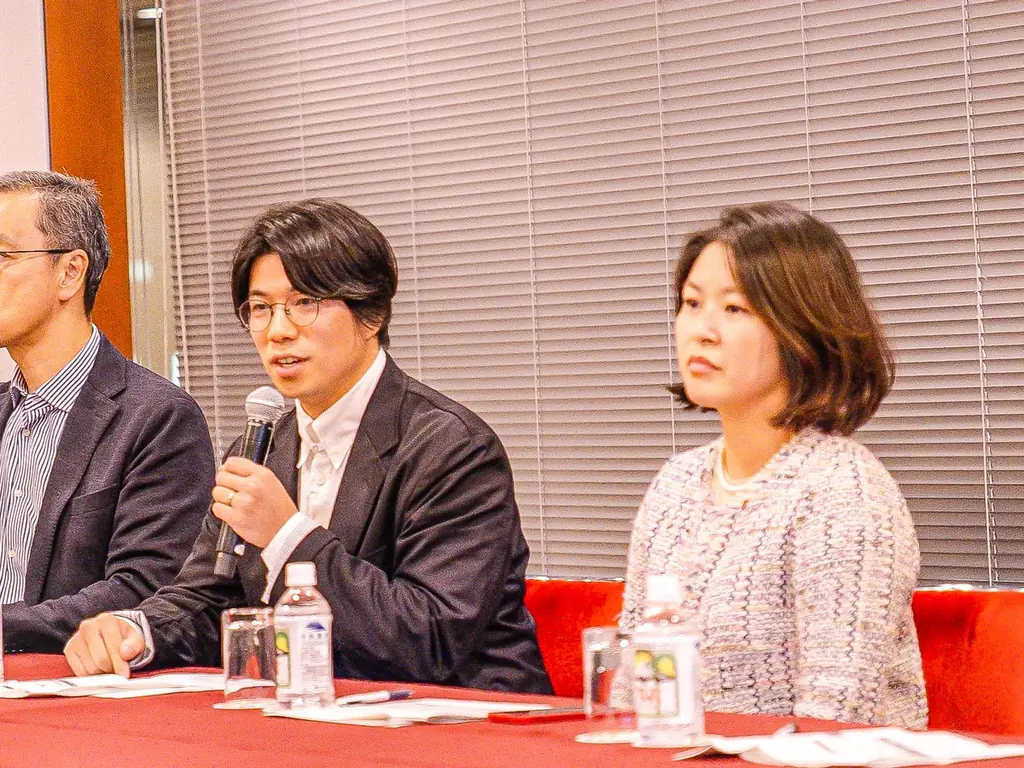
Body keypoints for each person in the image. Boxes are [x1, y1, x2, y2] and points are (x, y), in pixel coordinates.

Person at [64, 198, 552, 694]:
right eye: (261, 309)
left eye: (304, 303)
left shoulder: (451, 448)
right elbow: (212, 601)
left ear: (371, 314)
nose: (278, 331)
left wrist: (285, 533)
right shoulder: (260, 448)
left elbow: (430, 637)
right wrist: (134, 630)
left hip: (468, 716)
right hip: (318, 712)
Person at [620, 202, 927, 728]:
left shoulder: (841, 490)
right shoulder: (675, 484)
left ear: (801, 329)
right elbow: (632, 689)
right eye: (691, 303)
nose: (702, 330)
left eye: (734, 308)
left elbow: (836, 715)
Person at [0, 170, 216, 652]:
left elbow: (147, 590)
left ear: (70, 272)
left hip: (74, 685)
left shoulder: (157, 418)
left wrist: (6, 629)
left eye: (3, 256)